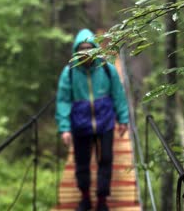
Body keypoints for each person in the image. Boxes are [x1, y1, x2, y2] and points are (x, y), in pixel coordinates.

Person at [55, 29, 129, 211]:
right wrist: (64, 128)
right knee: (82, 163)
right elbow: (63, 100)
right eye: (82, 48)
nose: (86, 52)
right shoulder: (69, 72)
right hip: (80, 125)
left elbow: (118, 94)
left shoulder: (107, 68)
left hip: (105, 123)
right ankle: (85, 197)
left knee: (105, 160)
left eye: (89, 48)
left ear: (95, 48)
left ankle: (102, 199)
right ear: (76, 50)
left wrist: (123, 119)